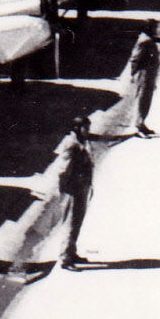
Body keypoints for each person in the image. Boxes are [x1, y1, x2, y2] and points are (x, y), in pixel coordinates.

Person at [60, 116, 96, 270]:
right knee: (71, 223)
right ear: (77, 128)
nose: (88, 130)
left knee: (77, 221)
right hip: (73, 189)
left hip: (82, 186)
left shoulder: (82, 142)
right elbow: (63, 169)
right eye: (85, 127)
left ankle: (72, 252)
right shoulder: (72, 144)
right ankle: (65, 258)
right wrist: (67, 189)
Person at [129, 22, 160, 137]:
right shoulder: (144, 41)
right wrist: (133, 74)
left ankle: (142, 124)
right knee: (142, 100)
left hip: (149, 74)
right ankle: (138, 126)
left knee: (146, 99)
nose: (156, 29)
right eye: (154, 27)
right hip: (143, 74)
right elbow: (135, 58)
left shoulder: (148, 40)